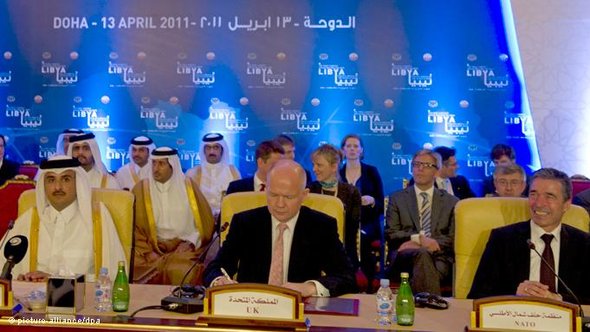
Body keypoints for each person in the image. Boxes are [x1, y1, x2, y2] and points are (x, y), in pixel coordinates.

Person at [203, 159, 357, 297]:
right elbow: (216, 267)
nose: (279, 204)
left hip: (300, 311)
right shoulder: (246, 222)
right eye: (273, 195)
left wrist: (310, 288)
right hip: (252, 309)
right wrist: (219, 281)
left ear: (304, 195)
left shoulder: (321, 225)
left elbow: (346, 276)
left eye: (289, 197)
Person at [468, 168, 590, 304]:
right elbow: (477, 295)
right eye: (533, 194)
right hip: (514, 319)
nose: (538, 203)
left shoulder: (584, 243)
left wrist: (559, 299)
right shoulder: (502, 239)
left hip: (566, 322)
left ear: (566, 204)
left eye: (549, 196)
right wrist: (514, 294)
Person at [0, 156, 126, 281]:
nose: (58, 187)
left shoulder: (97, 218)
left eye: (66, 179)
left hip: (82, 299)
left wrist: (55, 281)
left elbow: (114, 275)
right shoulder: (30, 219)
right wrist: (18, 280)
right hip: (31, 299)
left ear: (77, 183)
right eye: (51, 180)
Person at [132, 147, 215, 285]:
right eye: (153, 163)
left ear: (172, 166)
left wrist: (190, 242)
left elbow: (205, 223)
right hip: (150, 247)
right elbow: (132, 227)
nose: (155, 169)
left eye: (161, 164)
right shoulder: (141, 189)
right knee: (133, 266)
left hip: (181, 249)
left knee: (181, 270)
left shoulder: (189, 188)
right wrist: (147, 252)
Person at [385, 149, 458, 295]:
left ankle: (419, 302)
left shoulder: (451, 202)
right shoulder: (397, 198)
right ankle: (431, 308)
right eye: (416, 164)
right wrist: (419, 240)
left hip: (439, 256)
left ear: (436, 171)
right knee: (423, 253)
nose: (420, 169)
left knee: (425, 259)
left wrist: (432, 244)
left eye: (426, 165)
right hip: (405, 256)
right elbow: (391, 233)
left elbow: (453, 237)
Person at [308, 144, 362, 276]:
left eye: (319, 165)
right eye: (313, 164)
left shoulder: (351, 192)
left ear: (334, 166)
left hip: (342, 252)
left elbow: (352, 229)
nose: (314, 169)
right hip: (311, 253)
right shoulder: (309, 190)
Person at [339, 134, 384, 290]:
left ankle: (368, 280)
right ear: (343, 150)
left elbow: (380, 203)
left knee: (362, 239)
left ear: (361, 150)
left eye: (356, 146)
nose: (352, 149)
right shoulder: (338, 173)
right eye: (349, 146)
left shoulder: (371, 172)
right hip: (346, 222)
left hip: (368, 222)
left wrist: (371, 201)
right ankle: (348, 279)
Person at [185, 133, 241, 218]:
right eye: (208, 148)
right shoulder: (193, 173)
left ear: (222, 150)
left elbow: (237, 199)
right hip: (201, 221)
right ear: (204, 151)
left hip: (227, 219)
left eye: (216, 147)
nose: (212, 152)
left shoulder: (233, 171)